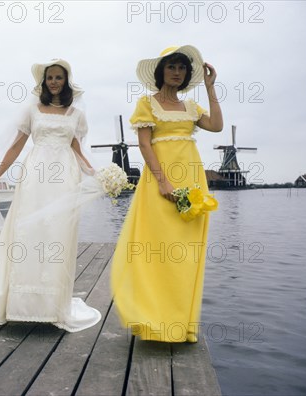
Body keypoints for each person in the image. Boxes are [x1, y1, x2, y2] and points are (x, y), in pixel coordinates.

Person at [0, 59, 102, 332]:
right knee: (27, 232)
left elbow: (77, 149)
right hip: (35, 175)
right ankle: (21, 305)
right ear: (43, 82)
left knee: (57, 234)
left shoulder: (76, 114)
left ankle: (53, 306)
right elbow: (15, 147)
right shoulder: (32, 110)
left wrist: (97, 175)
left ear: (66, 82)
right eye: (50, 78)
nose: (54, 82)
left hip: (64, 175)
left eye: (59, 78)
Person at [110, 45, 223, 342]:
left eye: (182, 68)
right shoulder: (147, 104)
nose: (177, 72)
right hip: (161, 182)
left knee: (186, 252)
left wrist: (210, 88)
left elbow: (216, 125)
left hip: (192, 181)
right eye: (172, 67)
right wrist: (162, 182)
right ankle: (154, 320)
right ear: (161, 71)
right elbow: (145, 145)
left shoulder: (191, 108)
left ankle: (181, 324)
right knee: (158, 250)